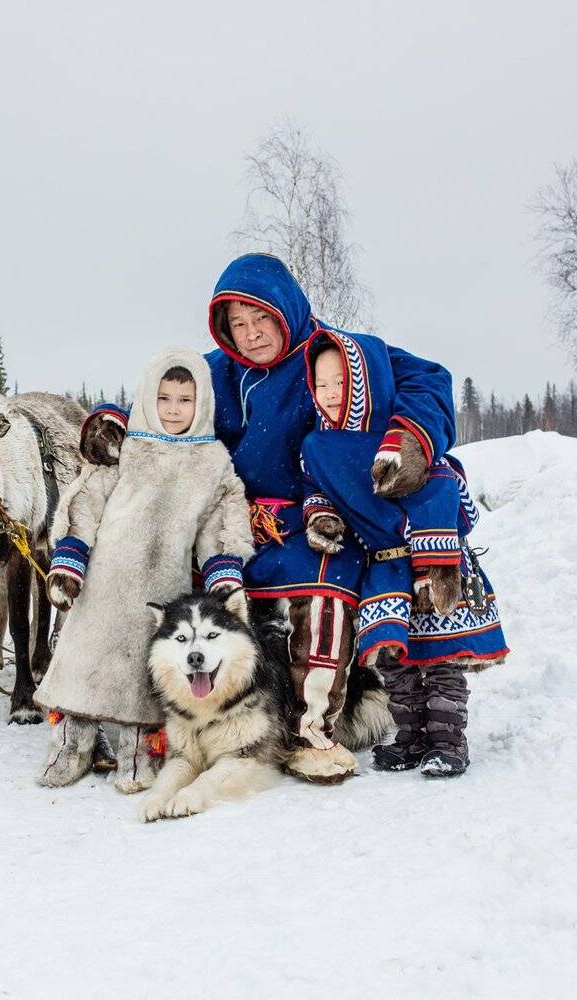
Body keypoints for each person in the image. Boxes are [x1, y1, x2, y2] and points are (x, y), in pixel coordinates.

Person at [205, 252, 458, 783]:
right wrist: (115, 422)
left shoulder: (337, 353)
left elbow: (429, 379)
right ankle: (200, 722)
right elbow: (164, 398)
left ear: (287, 310)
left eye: (262, 320)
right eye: (238, 325)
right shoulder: (218, 373)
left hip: (323, 518)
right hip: (237, 518)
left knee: (324, 585)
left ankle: (311, 732)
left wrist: (409, 439)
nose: (251, 335)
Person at [34, 348, 253, 792]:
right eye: (165, 398)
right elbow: (87, 499)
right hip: (105, 580)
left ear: (203, 402)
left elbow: (221, 519)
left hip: (163, 587)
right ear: (148, 397)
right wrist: (71, 559)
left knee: (143, 675)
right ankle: (70, 746)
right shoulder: (126, 446)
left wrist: (222, 571)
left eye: (185, 400)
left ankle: (138, 757)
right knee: (86, 661)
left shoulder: (211, 460)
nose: (173, 409)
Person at [300, 328, 509, 778]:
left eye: (341, 382)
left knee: (439, 657)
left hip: (431, 557)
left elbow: (441, 488)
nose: (331, 393)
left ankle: (448, 740)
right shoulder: (317, 446)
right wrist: (322, 518)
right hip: (382, 565)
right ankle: (411, 735)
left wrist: (435, 562)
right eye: (321, 384)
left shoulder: (395, 439)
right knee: (392, 657)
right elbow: (316, 490)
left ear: (364, 383)